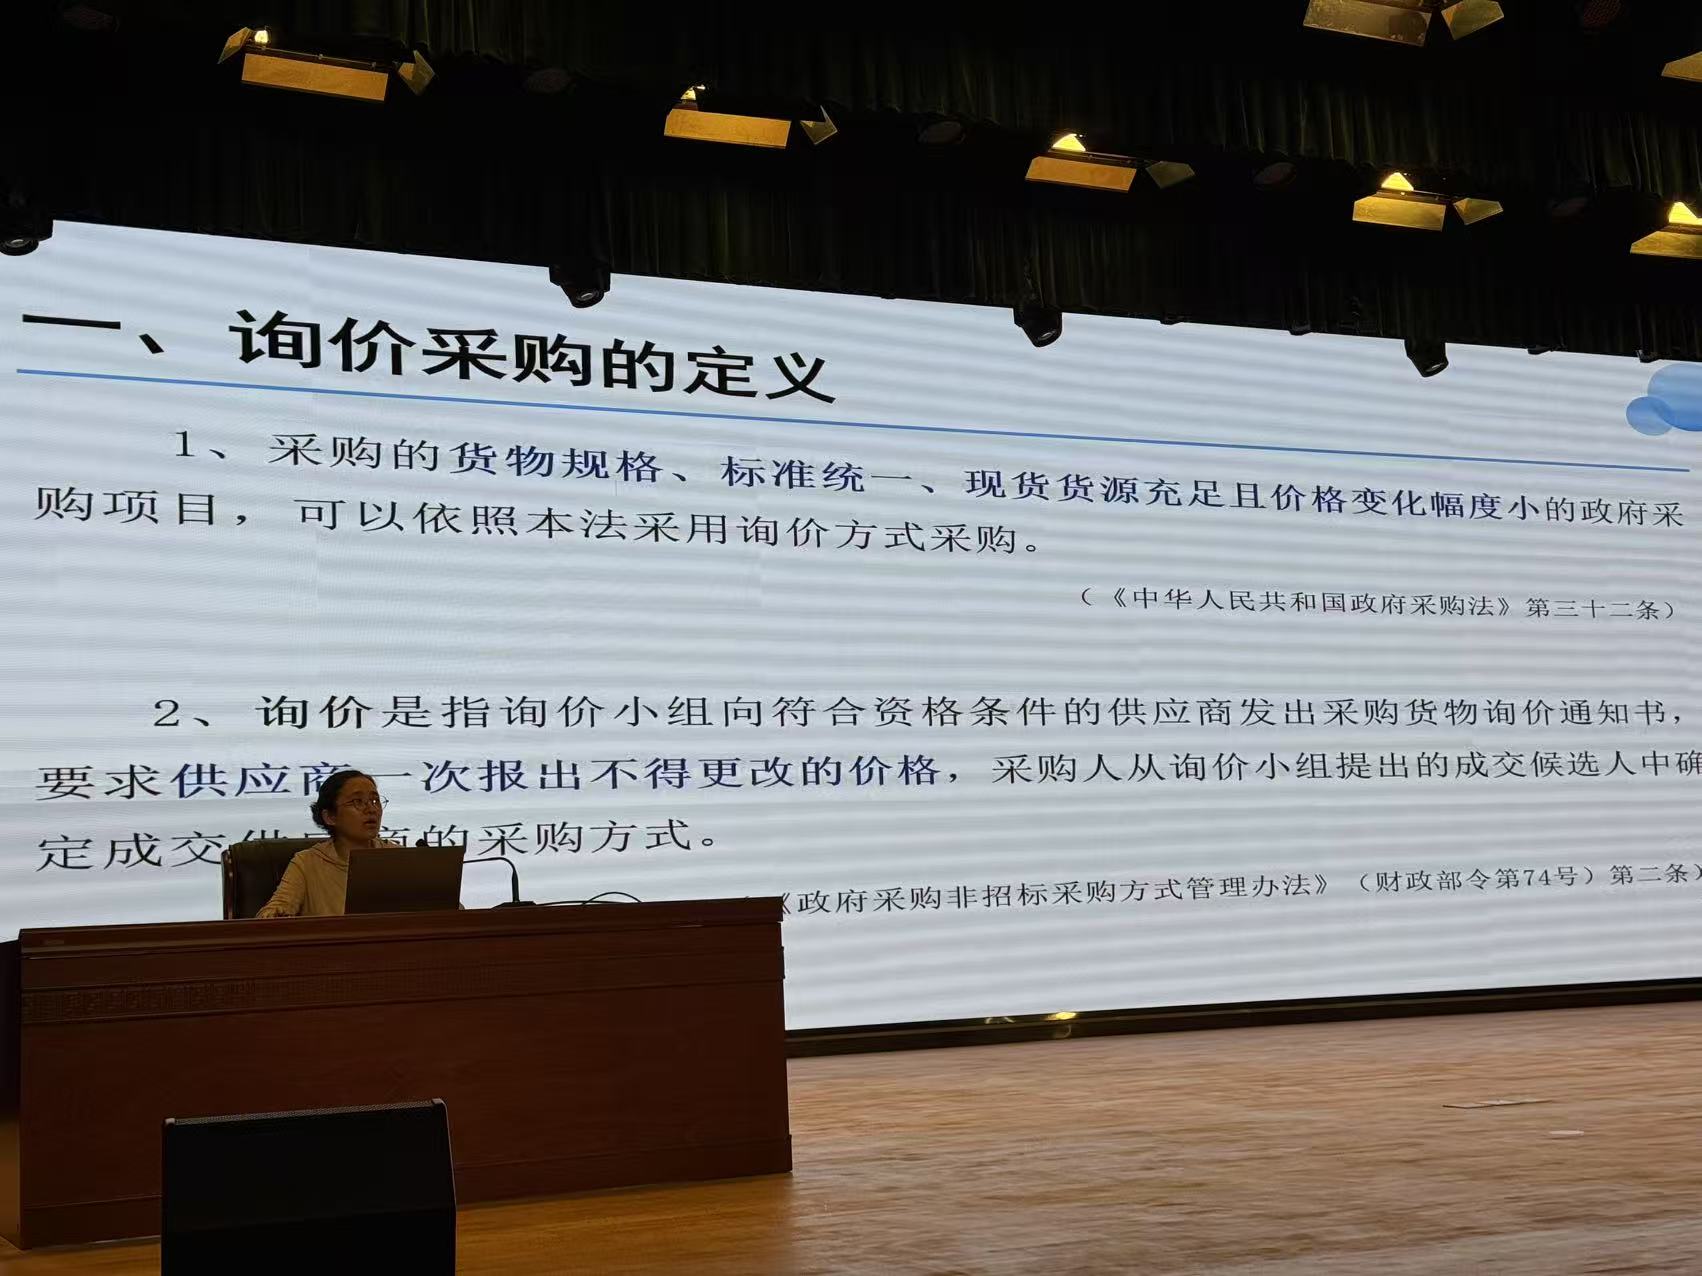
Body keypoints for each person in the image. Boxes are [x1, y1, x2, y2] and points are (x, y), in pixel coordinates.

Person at [255, 770, 395, 918]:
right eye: (357, 802)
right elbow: (274, 910)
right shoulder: (307, 863)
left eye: (375, 801)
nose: (371, 809)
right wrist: (275, 914)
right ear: (330, 817)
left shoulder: (397, 857)